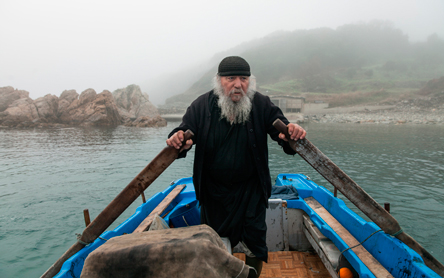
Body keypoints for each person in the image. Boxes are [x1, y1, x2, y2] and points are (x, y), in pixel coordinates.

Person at [166, 56, 306, 277]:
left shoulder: (261, 104)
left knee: (255, 241)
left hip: (251, 190)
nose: (238, 84)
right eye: (230, 78)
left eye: (243, 78)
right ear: (219, 80)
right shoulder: (200, 106)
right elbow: (183, 132)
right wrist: (177, 138)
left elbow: (283, 132)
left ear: (250, 81)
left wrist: (292, 133)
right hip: (214, 193)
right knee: (215, 243)